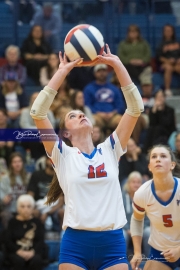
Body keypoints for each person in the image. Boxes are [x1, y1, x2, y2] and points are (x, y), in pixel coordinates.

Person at [30, 44, 144, 269]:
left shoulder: (110, 148)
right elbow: (37, 112)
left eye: (82, 113)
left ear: (93, 127)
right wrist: (62, 71)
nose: (80, 114)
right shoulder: (61, 153)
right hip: (76, 244)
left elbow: (135, 108)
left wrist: (117, 64)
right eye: (73, 116)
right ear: (65, 133)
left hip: (112, 243)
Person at [130, 144, 180, 270]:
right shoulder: (142, 193)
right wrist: (137, 252)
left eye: (163, 156)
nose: (158, 159)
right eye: (154, 157)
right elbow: (137, 219)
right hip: (161, 251)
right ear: (149, 167)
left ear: (172, 165)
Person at [4, 194, 45, 270]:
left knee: (37, 260)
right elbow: (8, 240)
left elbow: (40, 240)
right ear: (18, 209)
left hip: (33, 252)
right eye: (22, 206)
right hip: (16, 252)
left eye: (29, 206)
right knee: (18, 261)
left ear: (33, 209)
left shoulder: (37, 222)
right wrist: (18, 251)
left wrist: (32, 252)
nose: (25, 209)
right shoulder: (12, 222)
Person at [84, 63, 126, 131]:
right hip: (96, 115)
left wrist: (113, 113)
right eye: (99, 71)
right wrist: (99, 113)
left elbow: (120, 105)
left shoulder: (114, 88)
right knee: (93, 121)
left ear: (107, 73)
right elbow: (87, 105)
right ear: (94, 73)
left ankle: (123, 141)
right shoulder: (89, 88)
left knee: (122, 122)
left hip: (113, 116)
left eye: (103, 71)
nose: (101, 73)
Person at [122, 171, 150, 257]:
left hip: (142, 228)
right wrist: (128, 229)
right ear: (128, 183)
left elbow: (149, 217)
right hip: (125, 228)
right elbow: (118, 216)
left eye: (138, 182)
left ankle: (150, 261)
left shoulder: (146, 197)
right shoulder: (121, 197)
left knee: (149, 232)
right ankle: (122, 260)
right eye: (133, 182)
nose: (136, 184)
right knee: (122, 235)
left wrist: (139, 229)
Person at [0, 152, 30, 229]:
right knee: (5, 215)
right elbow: (1, 195)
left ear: (23, 163)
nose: (17, 164)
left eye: (19, 161)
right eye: (15, 162)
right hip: (10, 210)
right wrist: (4, 199)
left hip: (25, 209)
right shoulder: (5, 178)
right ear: (11, 164)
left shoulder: (28, 177)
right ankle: (10, 238)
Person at [156, 24, 180, 96]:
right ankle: (167, 89)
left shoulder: (177, 43)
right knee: (169, 67)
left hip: (176, 63)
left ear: (173, 32)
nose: (168, 32)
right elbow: (159, 57)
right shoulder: (161, 44)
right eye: (166, 31)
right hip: (165, 64)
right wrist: (168, 61)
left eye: (170, 31)